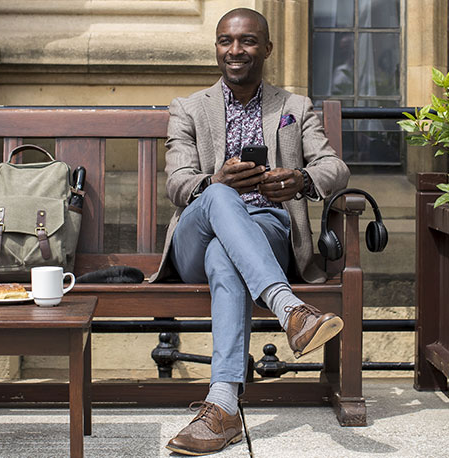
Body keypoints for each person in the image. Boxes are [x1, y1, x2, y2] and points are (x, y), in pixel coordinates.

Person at [149, 8, 350, 456]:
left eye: (248, 41)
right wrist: (213, 182)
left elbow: (335, 167)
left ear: (268, 49)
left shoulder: (294, 108)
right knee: (221, 200)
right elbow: (177, 182)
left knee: (228, 255)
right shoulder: (188, 108)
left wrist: (300, 179)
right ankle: (290, 309)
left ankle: (221, 408)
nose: (235, 51)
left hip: (268, 230)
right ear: (217, 47)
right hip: (193, 242)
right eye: (226, 41)